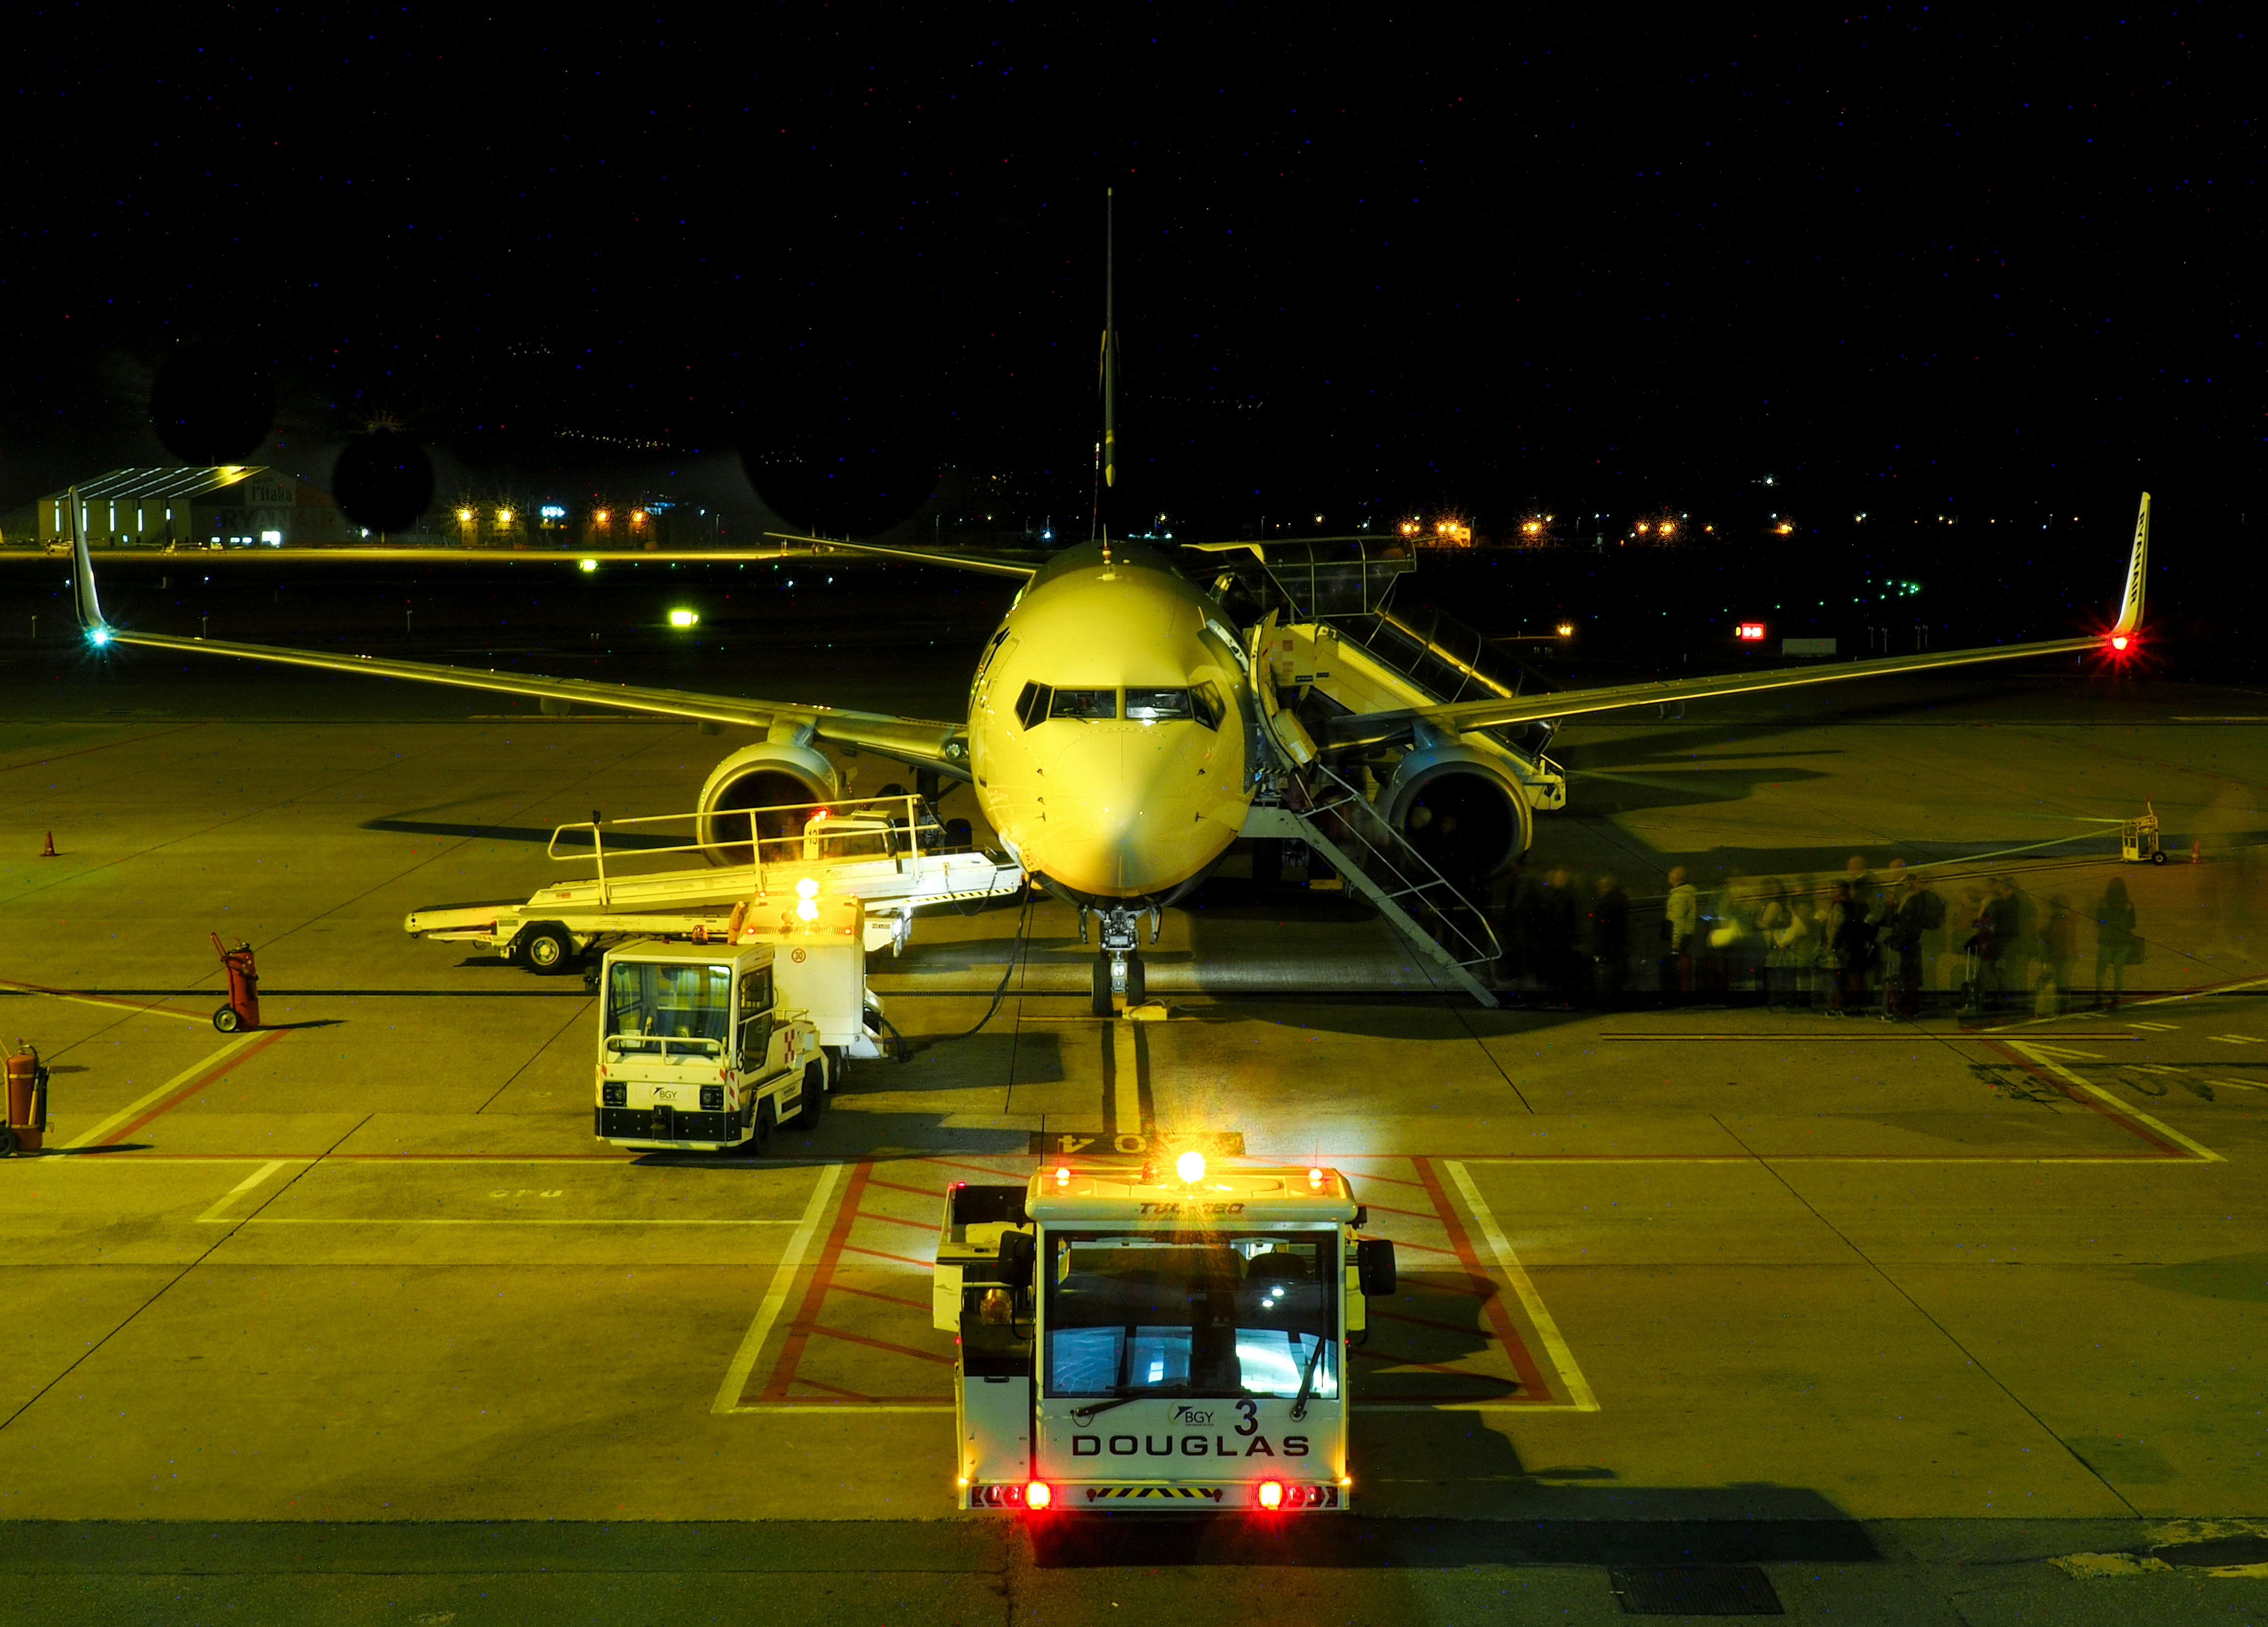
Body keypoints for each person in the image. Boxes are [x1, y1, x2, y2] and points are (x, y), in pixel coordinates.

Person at [2094, 877, 2138, 1007]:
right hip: (2124, 941)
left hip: (2107, 940)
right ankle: (2116, 998)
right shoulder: (2129, 905)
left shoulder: (2104, 904)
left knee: (2101, 970)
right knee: (2118, 971)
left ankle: (2100, 997)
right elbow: (2133, 924)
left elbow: (2099, 921)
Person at [1589, 873, 1630, 1008]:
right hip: (1619, 943)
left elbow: (1602, 926)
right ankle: (1617, 1000)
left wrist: (1600, 946)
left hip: (1609, 944)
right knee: (1617, 973)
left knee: (1608, 974)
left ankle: (1608, 1002)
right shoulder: (1622, 899)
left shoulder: (1607, 902)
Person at [1982, 876, 2020, 1011]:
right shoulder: (2011, 904)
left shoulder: (2005, 904)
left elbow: (1990, 922)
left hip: (2003, 944)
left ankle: (2001, 1003)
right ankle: (2005, 1002)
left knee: (1999, 972)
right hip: (2005, 944)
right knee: (2002, 972)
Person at [1663, 865, 1699, 1002]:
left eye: (1671, 873)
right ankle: (1683, 994)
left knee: (1676, 967)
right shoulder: (1686, 893)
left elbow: (1677, 920)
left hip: (1679, 936)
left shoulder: (1679, 896)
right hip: (1686, 934)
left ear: (1678, 877)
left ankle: (1677, 997)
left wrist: (1676, 941)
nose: (1669, 876)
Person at [2037, 895, 2077, 1016]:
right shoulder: (2067, 918)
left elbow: (2054, 935)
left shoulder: (2061, 919)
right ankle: (2063, 1008)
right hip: (2066, 954)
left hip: (2062, 954)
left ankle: (2063, 1009)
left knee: (2062, 982)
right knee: (2063, 982)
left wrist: (2043, 933)